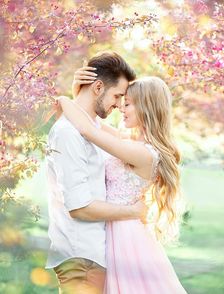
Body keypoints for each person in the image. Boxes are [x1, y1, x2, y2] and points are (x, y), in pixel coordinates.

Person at [58, 69, 188, 293]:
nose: (120, 108)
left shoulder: (144, 153)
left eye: (127, 104)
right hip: (111, 227)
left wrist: (62, 99)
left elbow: (88, 129)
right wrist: (80, 93)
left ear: (146, 108)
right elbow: (92, 121)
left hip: (124, 237)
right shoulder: (129, 141)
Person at [45, 51, 148, 294]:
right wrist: (133, 211)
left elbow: (102, 131)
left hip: (91, 256)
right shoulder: (68, 133)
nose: (119, 104)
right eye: (117, 95)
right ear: (98, 87)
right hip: (80, 258)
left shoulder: (88, 128)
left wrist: (72, 98)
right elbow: (79, 207)